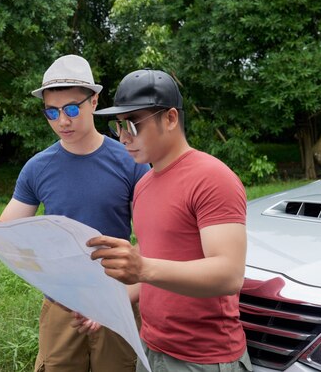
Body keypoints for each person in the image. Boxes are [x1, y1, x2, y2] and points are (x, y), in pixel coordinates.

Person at [0, 55, 150, 372]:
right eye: (52, 111)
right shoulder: (38, 168)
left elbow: (151, 240)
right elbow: (4, 231)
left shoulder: (130, 161)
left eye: (72, 109)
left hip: (116, 299)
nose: (63, 120)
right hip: (62, 303)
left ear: (94, 101)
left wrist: (119, 297)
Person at [73, 69, 253, 372]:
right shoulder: (144, 183)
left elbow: (229, 274)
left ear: (170, 119)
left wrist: (141, 267)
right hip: (152, 349)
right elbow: (150, 266)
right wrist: (106, 306)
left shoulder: (212, 178)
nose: (124, 137)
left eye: (132, 124)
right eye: (118, 126)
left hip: (204, 358)